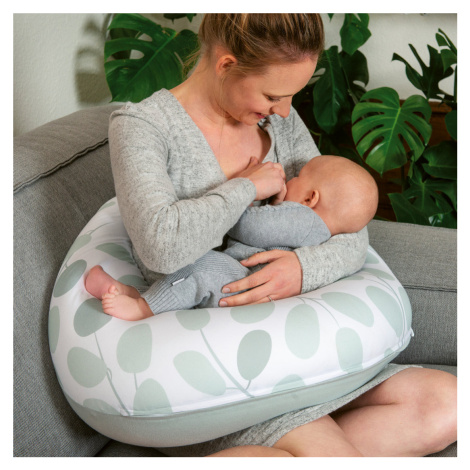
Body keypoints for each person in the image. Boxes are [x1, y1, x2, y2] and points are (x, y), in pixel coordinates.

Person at [85, 14, 456, 457]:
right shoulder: (144, 127)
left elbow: (349, 227)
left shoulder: (280, 123)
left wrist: (301, 268)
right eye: (273, 95)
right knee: (328, 454)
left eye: (291, 97)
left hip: (298, 345)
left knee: (449, 404)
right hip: (231, 365)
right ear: (226, 65)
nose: (283, 111)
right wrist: (245, 187)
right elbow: (161, 247)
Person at [88, 155, 379, 320]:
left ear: (310, 198)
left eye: (298, 176)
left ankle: (143, 309)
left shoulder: (304, 218)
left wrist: (246, 191)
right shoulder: (316, 228)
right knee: (193, 271)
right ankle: (135, 294)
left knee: (199, 268)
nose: (291, 178)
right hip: (245, 279)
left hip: (243, 280)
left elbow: (247, 228)